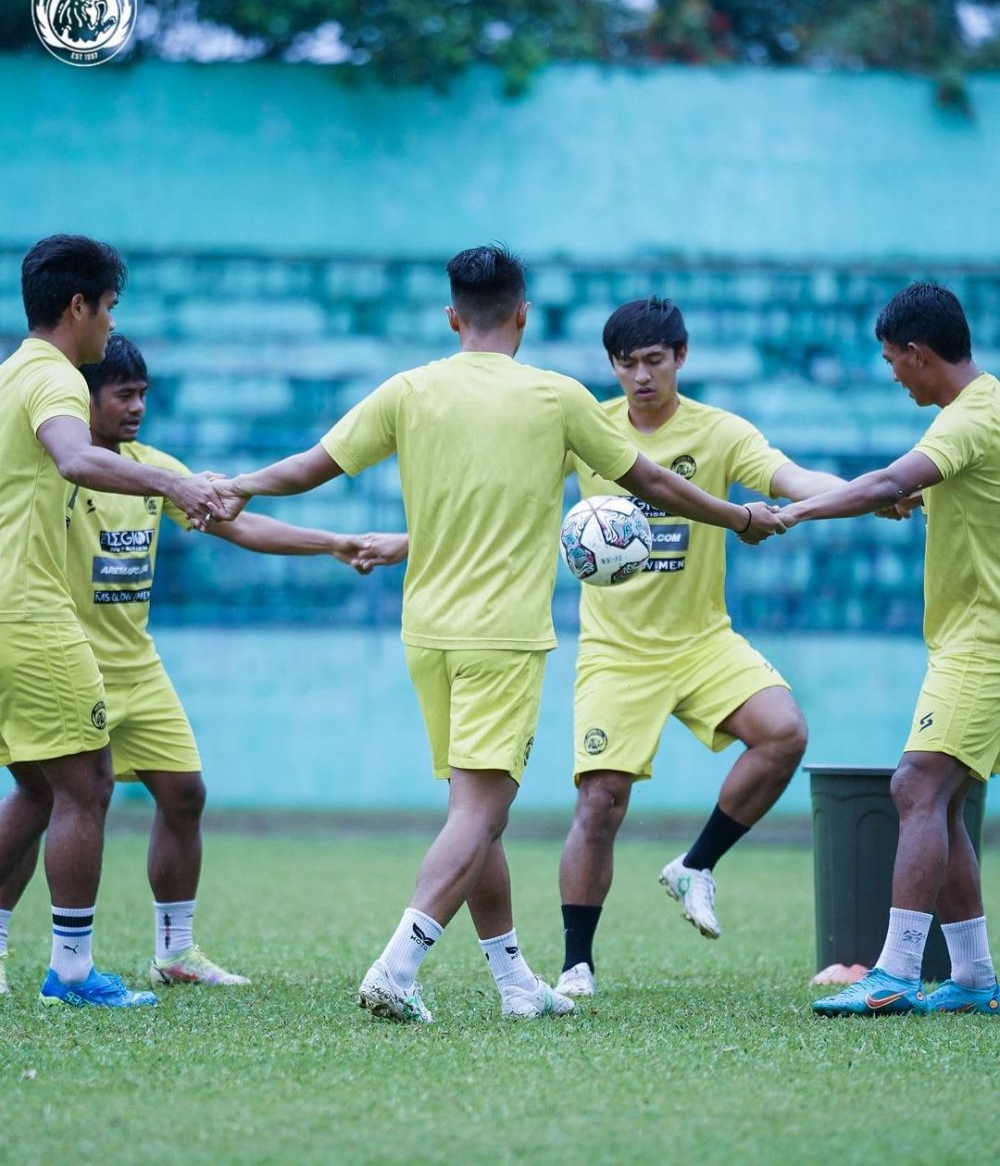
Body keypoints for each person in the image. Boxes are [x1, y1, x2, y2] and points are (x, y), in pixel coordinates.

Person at [210, 244, 785, 1024]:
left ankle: (515, 981)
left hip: (427, 635)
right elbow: (650, 482)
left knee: (473, 812)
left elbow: (315, 466)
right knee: (480, 814)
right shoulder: (557, 398)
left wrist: (235, 485)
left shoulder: (408, 391)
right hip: (502, 639)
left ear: (453, 317)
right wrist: (739, 515)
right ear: (523, 314)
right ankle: (398, 965)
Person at [0, 334, 387, 994]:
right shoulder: (52, 468)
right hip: (61, 657)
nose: (138, 406)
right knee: (39, 798)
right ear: (80, 400)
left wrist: (333, 542)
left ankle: (175, 952)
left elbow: (237, 525)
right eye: (123, 394)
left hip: (135, 666)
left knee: (185, 795)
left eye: (144, 394)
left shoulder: (152, 467)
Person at [553, 297, 848, 997]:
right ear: (612, 367)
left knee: (783, 733)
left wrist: (868, 493)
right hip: (615, 651)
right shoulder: (587, 430)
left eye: (654, 361)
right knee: (600, 800)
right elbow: (513, 499)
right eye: (627, 364)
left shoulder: (718, 432)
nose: (641, 377)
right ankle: (575, 964)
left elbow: (792, 479)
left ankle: (695, 865)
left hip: (702, 640)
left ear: (680, 358)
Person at [0, 235, 224, 1009]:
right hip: (30, 611)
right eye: (109, 309)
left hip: (10, 612)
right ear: (78, 306)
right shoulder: (57, 380)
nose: (109, 325)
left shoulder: (11, 374)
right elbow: (73, 457)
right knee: (84, 787)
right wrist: (169, 483)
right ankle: (69, 971)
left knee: (36, 789)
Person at [778, 283, 999, 1016]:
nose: (892, 374)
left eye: (892, 362)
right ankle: (971, 978)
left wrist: (797, 510)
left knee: (916, 787)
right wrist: (899, 496)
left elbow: (891, 479)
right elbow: (909, 491)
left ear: (918, 352)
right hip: (966, 638)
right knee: (943, 795)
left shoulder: (970, 418)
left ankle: (896, 975)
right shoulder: (975, 413)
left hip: (984, 640)